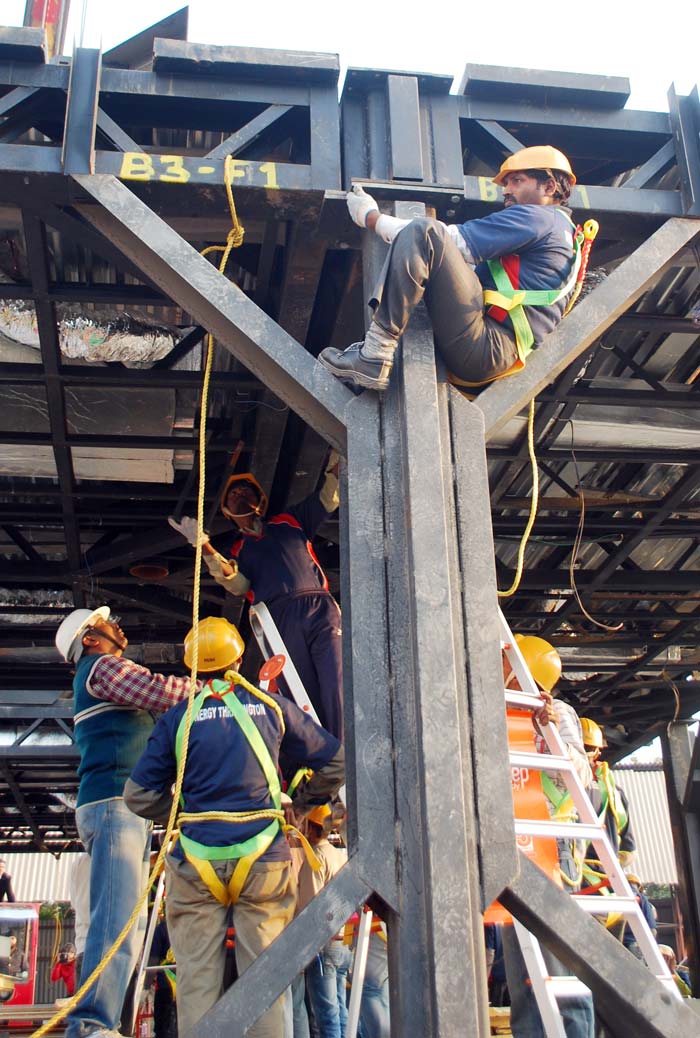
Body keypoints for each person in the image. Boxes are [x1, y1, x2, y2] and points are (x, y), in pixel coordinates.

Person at [124, 616, 345, 1038]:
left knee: (197, 986)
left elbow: (137, 796)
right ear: (239, 659)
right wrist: (302, 803)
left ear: (191, 666)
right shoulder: (272, 708)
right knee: (266, 984)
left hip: (195, 862)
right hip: (263, 858)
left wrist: (178, 811)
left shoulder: (177, 720)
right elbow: (335, 763)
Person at [318, 146, 579, 393]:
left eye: (517, 181)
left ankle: (374, 353)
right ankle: (372, 366)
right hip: (491, 347)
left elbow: (443, 239)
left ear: (549, 186)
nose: (506, 190)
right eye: (506, 183)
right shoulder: (560, 230)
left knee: (425, 231)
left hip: (487, 346)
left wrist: (371, 218)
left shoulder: (541, 218)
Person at [54, 606, 198, 1038]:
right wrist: (215, 691)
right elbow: (156, 690)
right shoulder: (102, 669)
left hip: (122, 808)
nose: (116, 623)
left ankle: (104, 1022)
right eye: (105, 622)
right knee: (115, 923)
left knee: (130, 928)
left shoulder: (96, 675)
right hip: (114, 805)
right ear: (90, 640)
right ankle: (90, 1025)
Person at [169, 453, 344, 740]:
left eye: (245, 491)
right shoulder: (240, 550)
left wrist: (338, 449)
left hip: (318, 605)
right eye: (233, 494)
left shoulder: (290, 521)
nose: (240, 494)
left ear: (259, 501)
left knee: (336, 678)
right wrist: (206, 547)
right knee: (301, 690)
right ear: (227, 511)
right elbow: (237, 584)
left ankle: (342, 750)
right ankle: (322, 754)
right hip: (281, 618)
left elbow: (329, 496)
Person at [502, 634, 594, 1038]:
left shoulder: (560, 714)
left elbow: (580, 774)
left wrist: (552, 736)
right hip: (514, 841)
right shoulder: (500, 713)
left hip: (551, 843)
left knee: (559, 962)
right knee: (522, 964)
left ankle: (573, 1031)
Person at [297, 805, 350, 1038]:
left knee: (326, 1016)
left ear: (310, 827)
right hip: (342, 940)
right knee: (342, 1011)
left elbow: (310, 908)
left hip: (322, 944)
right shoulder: (338, 855)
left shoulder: (315, 860)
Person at [579, 718, 635, 871]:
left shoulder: (561, 789)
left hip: (574, 880)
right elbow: (629, 851)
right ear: (597, 752)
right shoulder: (615, 792)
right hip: (608, 885)